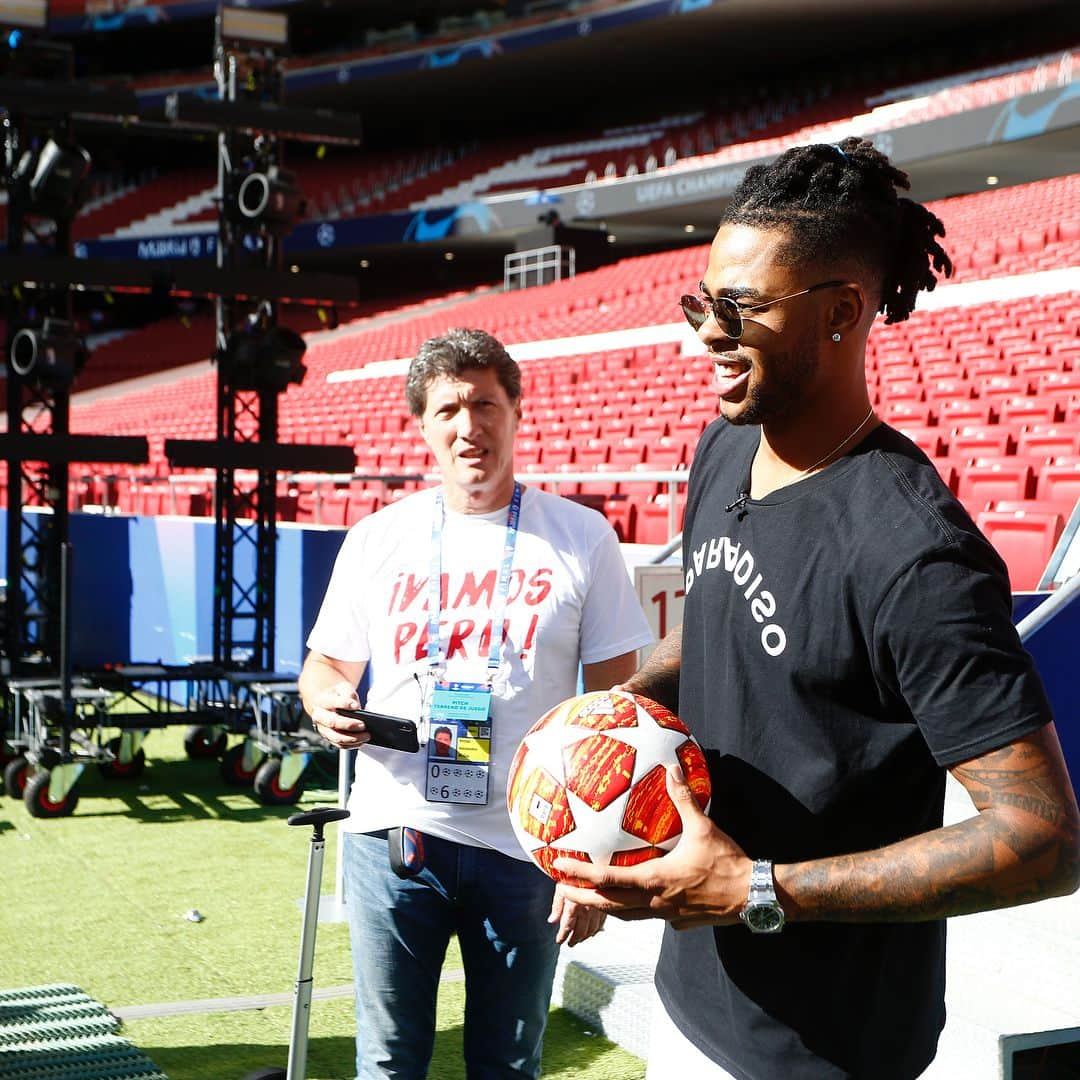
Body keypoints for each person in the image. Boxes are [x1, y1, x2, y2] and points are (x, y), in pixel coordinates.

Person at [553, 138, 1080, 1080]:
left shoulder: (915, 551)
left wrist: (760, 889)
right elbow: (722, 637)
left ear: (841, 313)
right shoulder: (724, 447)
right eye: (701, 302)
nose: (707, 332)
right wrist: (604, 744)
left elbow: (1043, 839)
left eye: (739, 308)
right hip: (692, 1003)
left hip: (826, 1050)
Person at [298, 327, 654, 1080]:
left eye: (486, 404)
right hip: (396, 838)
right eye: (450, 408)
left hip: (528, 851)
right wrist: (327, 697)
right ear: (423, 425)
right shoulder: (376, 539)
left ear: (517, 412)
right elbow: (326, 664)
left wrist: (588, 865)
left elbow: (617, 713)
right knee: (389, 1063)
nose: (470, 426)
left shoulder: (581, 537)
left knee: (508, 1065)